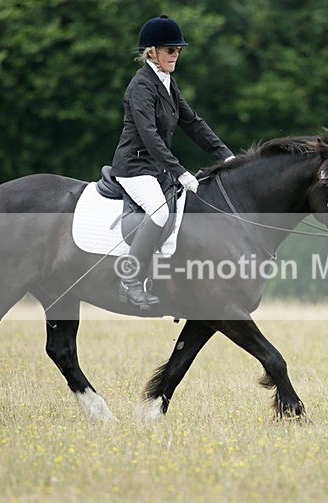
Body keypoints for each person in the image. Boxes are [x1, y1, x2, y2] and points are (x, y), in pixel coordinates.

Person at [111, 15, 234, 309]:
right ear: (151, 51)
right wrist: (180, 172)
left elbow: (193, 123)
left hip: (155, 168)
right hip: (134, 167)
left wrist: (228, 156)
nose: (175, 54)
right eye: (170, 50)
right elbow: (150, 136)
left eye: (178, 50)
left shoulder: (167, 82)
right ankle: (129, 282)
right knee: (159, 212)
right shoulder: (141, 86)